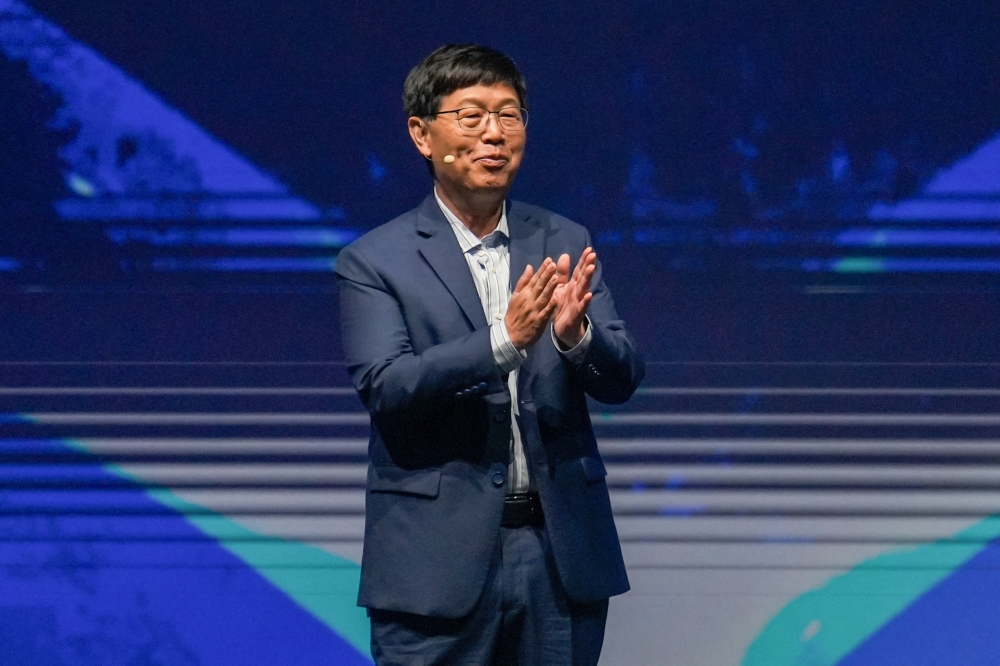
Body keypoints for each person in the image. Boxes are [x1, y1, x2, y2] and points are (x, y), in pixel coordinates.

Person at [335, 43, 645, 665]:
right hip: (435, 563)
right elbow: (388, 387)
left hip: (557, 553)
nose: (494, 135)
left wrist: (574, 338)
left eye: (509, 116)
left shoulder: (564, 239)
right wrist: (502, 342)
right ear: (422, 135)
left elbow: (622, 376)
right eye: (471, 117)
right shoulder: (374, 260)